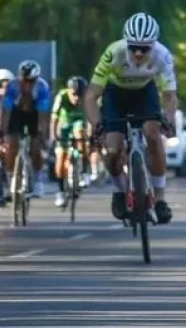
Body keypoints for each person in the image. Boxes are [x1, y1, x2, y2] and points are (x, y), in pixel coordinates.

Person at [84, 12, 177, 224]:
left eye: (144, 49)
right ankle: (119, 191)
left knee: (153, 136)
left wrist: (169, 120)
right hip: (115, 95)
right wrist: (97, 125)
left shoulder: (162, 55)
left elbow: (169, 96)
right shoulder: (113, 52)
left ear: (153, 45)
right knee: (113, 150)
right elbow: (91, 96)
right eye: (132, 47)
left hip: (145, 93)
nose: (137, 53)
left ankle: (160, 200)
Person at [0, 60, 52, 198]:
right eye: (24, 80)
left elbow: (43, 115)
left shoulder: (41, 87)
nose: (26, 84)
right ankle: (11, 179)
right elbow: (6, 112)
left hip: (35, 114)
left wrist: (42, 134)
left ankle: (38, 180)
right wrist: (3, 132)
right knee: (12, 146)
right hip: (16, 114)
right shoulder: (12, 86)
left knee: (35, 147)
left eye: (30, 81)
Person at [50, 76, 89, 208]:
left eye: (80, 95)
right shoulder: (61, 96)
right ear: (68, 90)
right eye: (74, 94)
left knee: (81, 134)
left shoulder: (87, 97)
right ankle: (60, 191)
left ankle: (83, 172)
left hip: (79, 122)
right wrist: (53, 134)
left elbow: (92, 117)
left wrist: (90, 134)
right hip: (65, 124)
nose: (77, 98)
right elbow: (54, 117)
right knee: (60, 158)